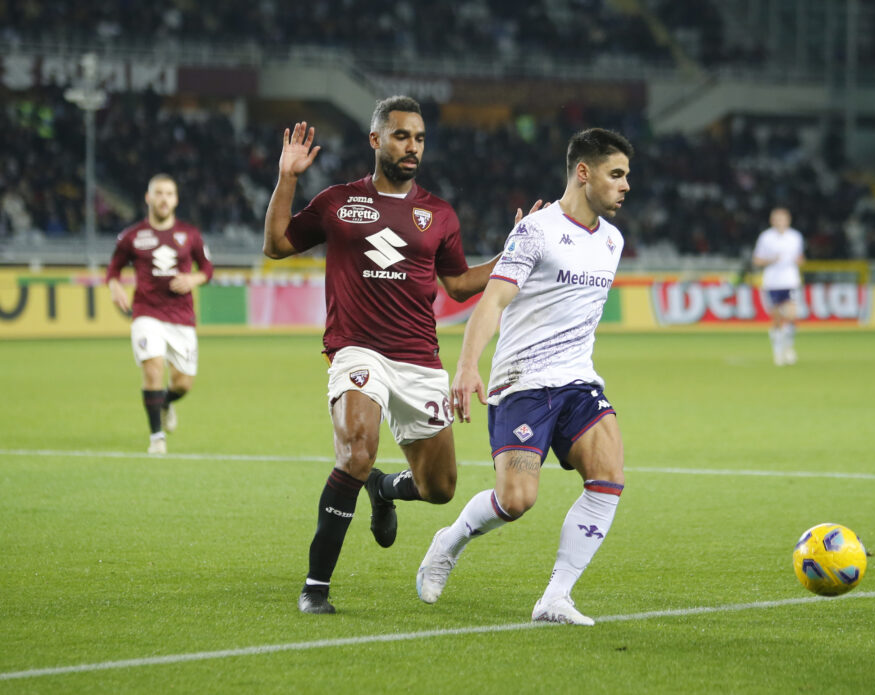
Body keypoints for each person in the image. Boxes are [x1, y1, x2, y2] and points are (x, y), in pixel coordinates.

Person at [263, 96, 541, 614]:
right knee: (356, 451)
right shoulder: (338, 202)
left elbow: (458, 285)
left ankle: (384, 490)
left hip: (419, 359)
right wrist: (287, 178)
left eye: (418, 138)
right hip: (356, 350)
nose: (411, 147)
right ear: (375, 140)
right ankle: (316, 586)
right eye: (400, 136)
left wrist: (512, 253)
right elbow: (277, 243)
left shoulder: (438, 214)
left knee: (440, 488)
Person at [416, 128, 633, 626]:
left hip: (579, 382)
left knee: (609, 477)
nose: (625, 186)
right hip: (523, 382)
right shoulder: (534, 231)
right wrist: (468, 366)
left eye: (626, 176)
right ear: (584, 173)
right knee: (516, 500)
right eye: (615, 174)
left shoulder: (613, 242)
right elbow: (492, 300)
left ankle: (555, 597)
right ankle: (450, 539)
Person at [106, 174, 213, 455]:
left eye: (169, 194)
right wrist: (114, 285)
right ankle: (157, 437)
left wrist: (193, 280)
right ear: (148, 197)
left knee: (183, 383)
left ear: (175, 200)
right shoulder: (131, 236)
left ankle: (165, 402)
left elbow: (208, 270)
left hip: (181, 316)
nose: (164, 198)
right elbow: (113, 268)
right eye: (159, 193)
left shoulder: (190, 235)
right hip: (146, 312)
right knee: (152, 368)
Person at [752, 207, 805, 365]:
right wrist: (771, 260)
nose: (781, 222)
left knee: (791, 314)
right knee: (776, 319)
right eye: (777, 219)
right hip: (773, 283)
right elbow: (757, 260)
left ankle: (789, 348)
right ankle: (777, 351)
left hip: (790, 281)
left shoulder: (795, 237)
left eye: (783, 219)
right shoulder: (766, 237)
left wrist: (799, 261)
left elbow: (800, 257)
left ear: (788, 220)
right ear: (772, 221)